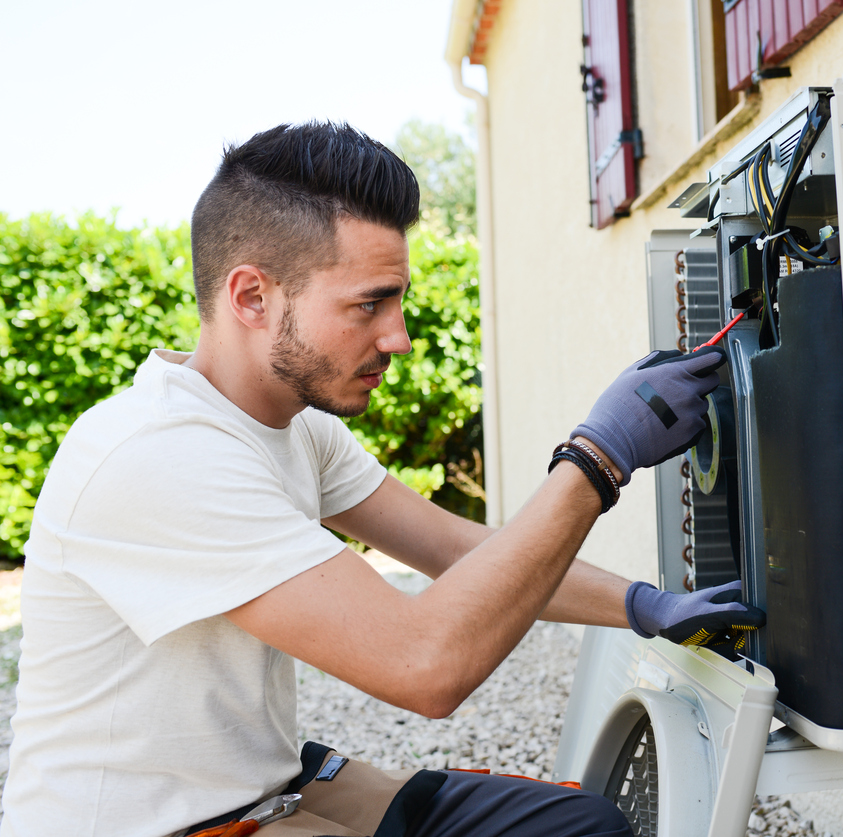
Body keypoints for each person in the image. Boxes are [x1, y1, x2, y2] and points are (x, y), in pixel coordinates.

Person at [0, 122, 764, 837]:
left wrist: (642, 604)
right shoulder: (159, 453)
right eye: (369, 304)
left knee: (578, 826)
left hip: (257, 784)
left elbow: (454, 548)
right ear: (251, 297)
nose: (397, 336)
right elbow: (424, 664)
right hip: (152, 822)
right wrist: (597, 459)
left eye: (396, 299)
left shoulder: (297, 424)